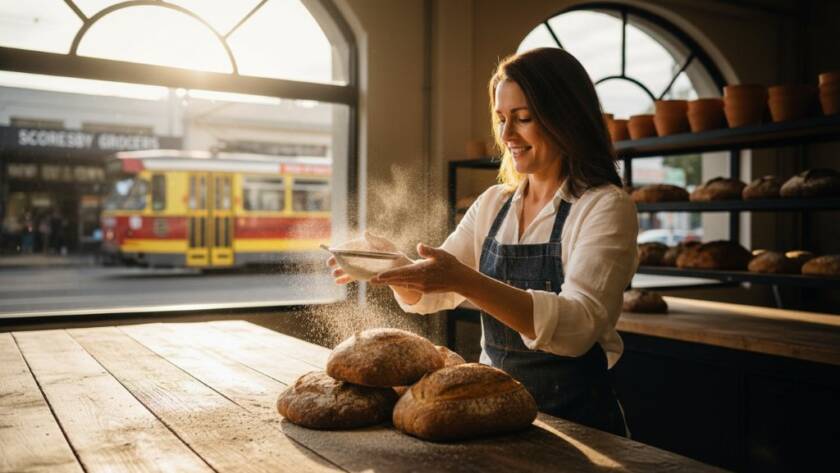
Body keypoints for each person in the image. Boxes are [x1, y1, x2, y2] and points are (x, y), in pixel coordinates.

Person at [328, 48, 638, 436]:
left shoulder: (605, 206)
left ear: (566, 118)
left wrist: (465, 281)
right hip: (494, 411)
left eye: (523, 118)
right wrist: (392, 266)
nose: (507, 135)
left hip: (582, 426)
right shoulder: (494, 203)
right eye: (501, 118)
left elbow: (578, 327)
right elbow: (435, 294)